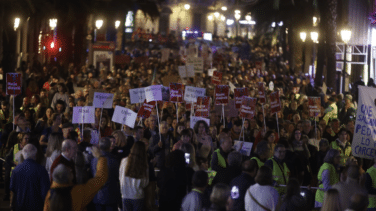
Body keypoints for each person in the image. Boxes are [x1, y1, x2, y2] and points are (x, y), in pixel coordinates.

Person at [43, 146, 109, 211]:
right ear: (70, 177)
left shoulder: (50, 195)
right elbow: (100, 178)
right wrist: (100, 158)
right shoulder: (78, 192)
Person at [10, 144, 50, 211]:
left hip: (19, 206)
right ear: (35, 155)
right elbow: (45, 192)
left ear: (23, 154)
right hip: (37, 207)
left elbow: (13, 191)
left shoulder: (15, 170)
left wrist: (12, 205)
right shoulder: (41, 170)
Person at [91, 137, 120, 211]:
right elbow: (117, 176)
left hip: (98, 195)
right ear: (109, 146)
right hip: (111, 196)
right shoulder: (113, 160)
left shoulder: (94, 160)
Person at [119, 141, 149, 211]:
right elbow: (145, 183)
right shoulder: (144, 164)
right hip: (138, 195)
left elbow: (120, 177)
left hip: (125, 194)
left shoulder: (124, 161)